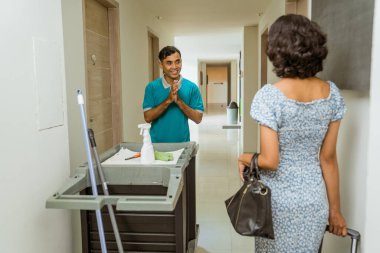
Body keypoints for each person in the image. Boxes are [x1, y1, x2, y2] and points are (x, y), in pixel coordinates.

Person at [238, 14, 347, 252]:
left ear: (278, 50)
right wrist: (335, 211)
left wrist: (244, 157)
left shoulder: (269, 96)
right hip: (314, 202)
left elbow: (271, 161)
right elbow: (327, 159)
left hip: (277, 204)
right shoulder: (332, 95)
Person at [143, 46, 204, 143]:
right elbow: (147, 117)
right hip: (156, 146)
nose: (175, 67)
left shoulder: (192, 88)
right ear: (160, 64)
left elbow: (198, 118)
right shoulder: (151, 88)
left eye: (177, 61)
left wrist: (179, 101)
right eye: (169, 63)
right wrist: (168, 100)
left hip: (182, 145)